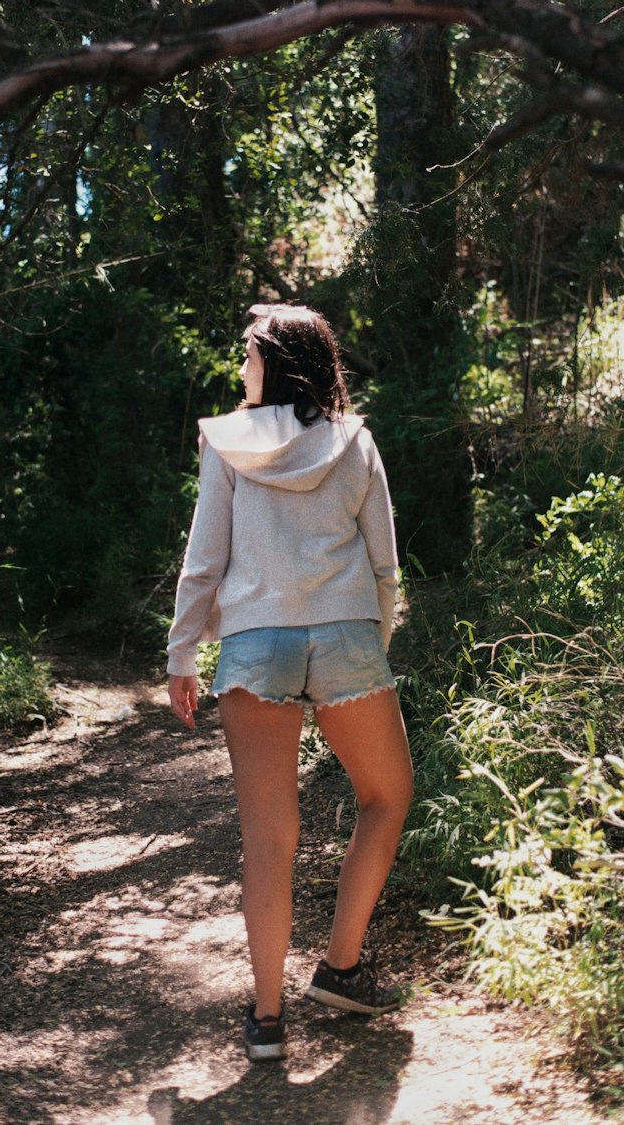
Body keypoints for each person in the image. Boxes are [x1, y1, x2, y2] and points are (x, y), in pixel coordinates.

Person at [167, 303, 414, 1063]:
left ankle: (268, 1020)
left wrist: (182, 654)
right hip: (344, 635)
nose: (241, 369)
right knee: (387, 795)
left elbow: (205, 558)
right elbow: (384, 562)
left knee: (268, 839)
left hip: (254, 642)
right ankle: (342, 966)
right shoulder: (353, 441)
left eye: (248, 356)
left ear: (273, 363)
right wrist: (371, 639)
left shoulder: (225, 444)